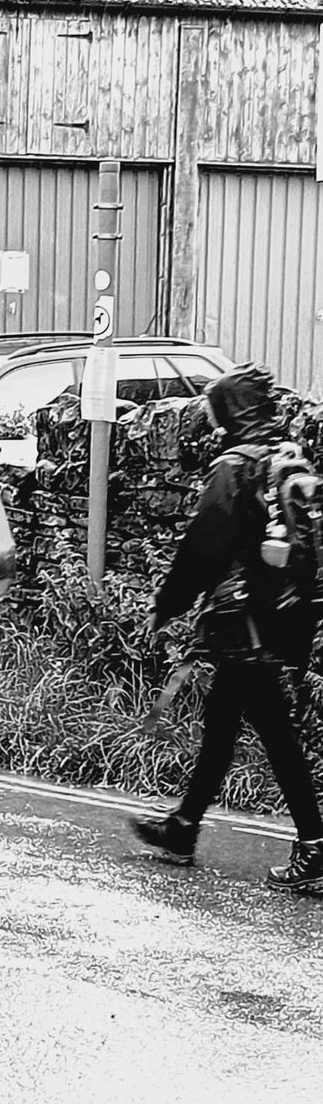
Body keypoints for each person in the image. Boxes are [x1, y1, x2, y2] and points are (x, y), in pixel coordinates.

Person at [131, 363, 323, 892]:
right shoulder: (286, 457)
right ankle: (183, 827)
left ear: (229, 412)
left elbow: (203, 549)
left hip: (244, 620)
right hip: (282, 614)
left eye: (216, 410)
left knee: (274, 732)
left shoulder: (234, 467)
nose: (212, 421)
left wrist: (166, 605)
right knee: (223, 721)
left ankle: (314, 845)